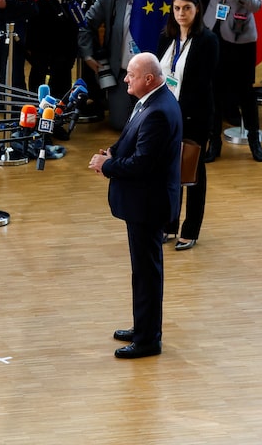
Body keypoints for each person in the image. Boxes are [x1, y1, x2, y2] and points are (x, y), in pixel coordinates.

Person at [88, 52, 182, 359]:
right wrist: (112, 153)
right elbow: (131, 139)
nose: (126, 79)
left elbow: (143, 164)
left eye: (131, 74)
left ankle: (148, 340)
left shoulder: (158, 112)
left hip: (148, 204)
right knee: (142, 272)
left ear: (149, 79)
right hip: (143, 202)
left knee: (147, 273)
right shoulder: (150, 101)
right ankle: (143, 327)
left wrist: (107, 166)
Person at [176, 0, 262, 162]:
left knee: (245, 91)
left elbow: (257, 4)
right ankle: (213, 142)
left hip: (240, 35)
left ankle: (254, 140)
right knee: (213, 90)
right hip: (213, 33)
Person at [157, 0, 218, 251]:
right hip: (166, 117)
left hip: (194, 117)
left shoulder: (208, 41)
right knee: (168, 173)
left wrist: (180, 112)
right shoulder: (166, 38)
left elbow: (203, 85)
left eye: (187, 8)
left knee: (192, 175)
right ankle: (169, 224)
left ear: (197, 9)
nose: (181, 13)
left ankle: (190, 230)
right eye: (177, 8)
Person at [79, 0, 142, 129]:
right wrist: (88, 55)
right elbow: (85, 25)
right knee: (120, 124)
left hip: (151, 74)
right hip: (122, 73)